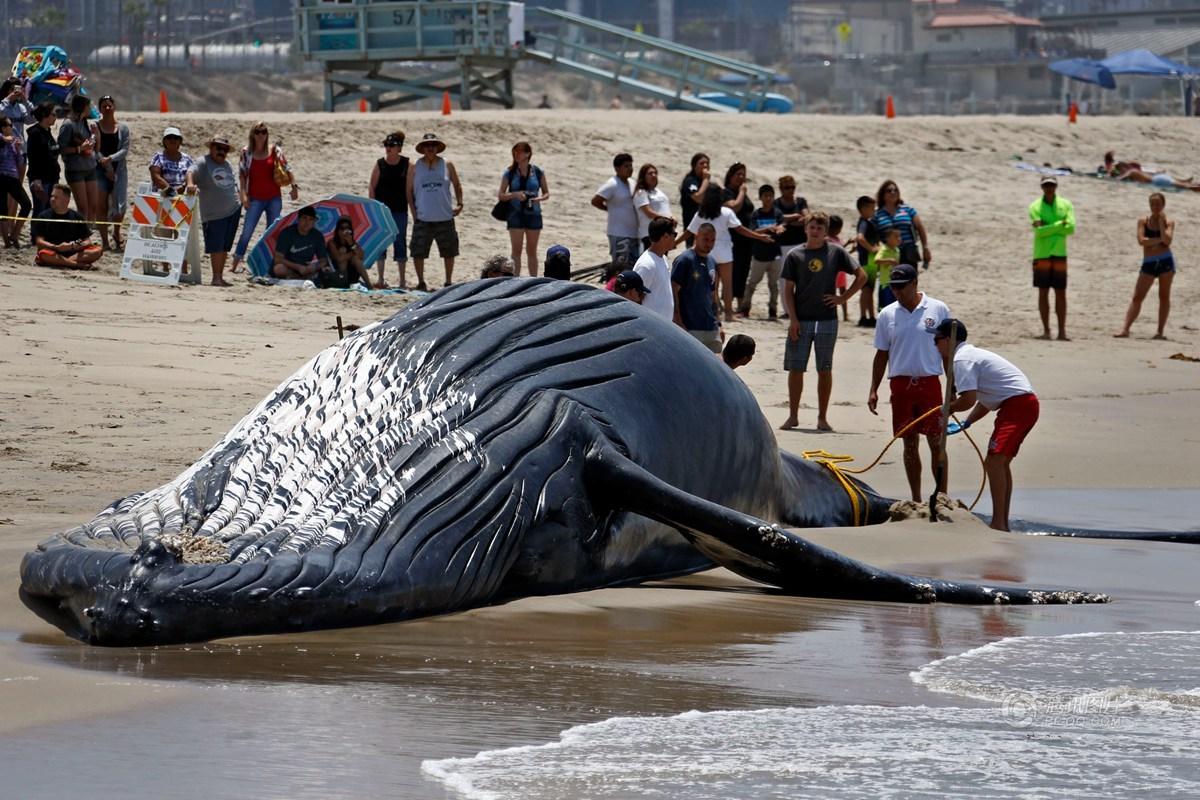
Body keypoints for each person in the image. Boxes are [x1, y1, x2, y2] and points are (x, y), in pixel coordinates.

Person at [937, 319, 1039, 532]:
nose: (934, 345)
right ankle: (1001, 521)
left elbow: (968, 399)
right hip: (1019, 404)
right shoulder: (969, 356)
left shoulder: (962, 359)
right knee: (999, 463)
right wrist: (967, 422)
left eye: (936, 340)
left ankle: (999, 523)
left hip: (1018, 406)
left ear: (948, 340)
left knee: (994, 461)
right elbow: (985, 400)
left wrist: (949, 408)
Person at [868, 264, 952, 501]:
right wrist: (873, 389)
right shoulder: (887, 314)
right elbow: (881, 353)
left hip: (930, 383)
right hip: (901, 385)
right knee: (909, 443)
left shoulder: (938, 309)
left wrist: (953, 386)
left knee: (937, 441)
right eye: (893, 288)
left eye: (901, 287)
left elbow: (947, 352)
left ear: (914, 283)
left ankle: (942, 497)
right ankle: (916, 498)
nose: (896, 292)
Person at [779, 212, 867, 432]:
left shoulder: (836, 252)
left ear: (826, 231)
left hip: (827, 319)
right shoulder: (794, 255)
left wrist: (843, 298)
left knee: (824, 368)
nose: (815, 231)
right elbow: (788, 290)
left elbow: (862, 275)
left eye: (820, 227)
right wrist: (793, 319)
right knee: (796, 368)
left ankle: (822, 417)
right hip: (802, 319)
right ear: (806, 229)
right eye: (812, 227)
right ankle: (793, 416)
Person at [686, 185, 772, 322]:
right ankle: (728, 314)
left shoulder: (701, 214)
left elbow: (689, 232)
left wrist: (675, 242)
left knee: (711, 285)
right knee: (727, 285)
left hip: (709, 251)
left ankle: (715, 314)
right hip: (725, 252)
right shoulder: (726, 212)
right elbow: (741, 229)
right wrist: (759, 236)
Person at [233, 121, 299, 275]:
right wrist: (243, 195)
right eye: (258, 132)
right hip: (255, 198)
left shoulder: (275, 150)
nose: (261, 135)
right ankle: (236, 262)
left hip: (274, 198)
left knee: (272, 232)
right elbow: (242, 176)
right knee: (247, 232)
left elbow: (287, 168)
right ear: (252, 134)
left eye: (264, 132)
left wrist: (294, 187)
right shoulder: (246, 152)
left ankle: (268, 264)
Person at [407, 132, 463, 290]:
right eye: (427, 145)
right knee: (418, 251)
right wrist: (414, 212)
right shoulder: (415, 166)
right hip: (423, 217)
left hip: (444, 215)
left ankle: (448, 281)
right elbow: (408, 191)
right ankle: (421, 281)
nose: (430, 148)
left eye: (433, 145)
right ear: (423, 148)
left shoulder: (447, 164)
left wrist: (460, 204)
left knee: (449, 250)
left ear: (438, 148)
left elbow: (457, 185)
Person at [1115, 192, 1175, 340]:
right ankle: (1125, 329)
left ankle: (1160, 331)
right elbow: (1141, 241)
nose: (1155, 207)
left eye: (1158, 204)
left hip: (1166, 262)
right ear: (1149, 205)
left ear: (1163, 205)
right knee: (1138, 296)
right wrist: (1158, 239)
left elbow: (1167, 241)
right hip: (1149, 262)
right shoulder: (1143, 221)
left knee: (1164, 296)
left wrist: (1161, 225)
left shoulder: (1169, 221)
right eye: (1153, 204)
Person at [189, 135, 242, 287]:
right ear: (211, 148)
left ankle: (219, 277)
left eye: (225, 149)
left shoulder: (227, 165)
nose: (222, 152)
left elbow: (233, 183)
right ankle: (216, 277)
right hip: (214, 213)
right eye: (218, 148)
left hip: (233, 210)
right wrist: (191, 184)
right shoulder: (203, 162)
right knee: (216, 246)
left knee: (225, 246)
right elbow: (190, 172)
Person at [1029, 176, 1075, 341]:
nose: (1049, 188)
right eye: (1046, 185)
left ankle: (1062, 331)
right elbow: (1039, 231)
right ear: (1042, 187)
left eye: (1051, 185)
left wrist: (1048, 227)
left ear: (1056, 186)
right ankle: (1047, 330)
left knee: (1060, 292)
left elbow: (1071, 228)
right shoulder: (1035, 206)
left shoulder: (1066, 204)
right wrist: (1058, 226)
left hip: (1059, 252)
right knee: (1043, 292)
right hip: (1042, 253)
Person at [498, 141, 548, 276]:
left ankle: (533, 280)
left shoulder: (537, 171)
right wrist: (515, 194)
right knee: (516, 251)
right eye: (514, 152)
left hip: (534, 213)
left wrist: (539, 199)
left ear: (527, 154)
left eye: (519, 152)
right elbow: (501, 195)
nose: (516, 154)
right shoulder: (510, 172)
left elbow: (546, 193)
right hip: (515, 214)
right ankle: (515, 281)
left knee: (532, 251)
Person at [671, 223, 723, 353]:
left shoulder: (712, 261)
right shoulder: (684, 260)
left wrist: (719, 324)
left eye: (712, 240)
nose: (709, 244)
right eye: (705, 239)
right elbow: (673, 291)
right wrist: (678, 322)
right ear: (696, 236)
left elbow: (713, 294)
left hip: (711, 326)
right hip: (690, 326)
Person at [740, 183, 785, 319]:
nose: (768, 199)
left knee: (773, 285)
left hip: (775, 255)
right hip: (759, 255)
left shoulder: (777, 213)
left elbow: (781, 225)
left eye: (771, 196)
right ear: (761, 197)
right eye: (766, 196)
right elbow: (752, 230)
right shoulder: (756, 214)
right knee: (752, 283)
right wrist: (768, 229)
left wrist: (779, 228)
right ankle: (745, 308)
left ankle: (773, 310)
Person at [32, 183, 102, 268]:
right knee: (43, 254)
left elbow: (87, 241)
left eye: (56, 197)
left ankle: (65, 262)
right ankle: (75, 264)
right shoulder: (43, 216)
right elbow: (39, 241)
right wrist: (56, 247)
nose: (52, 199)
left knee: (98, 250)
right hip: (53, 251)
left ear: (66, 200)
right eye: (52, 196)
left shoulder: (77, 217)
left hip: (73, 253)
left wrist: (73, 246)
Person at [94, 95, 130, 251]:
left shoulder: (122, 128)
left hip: (119, 170)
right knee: (101, 206)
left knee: (120, 206)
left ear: (114, 107)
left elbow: (124, 149)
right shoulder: (95, 126)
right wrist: (104, 163)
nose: (107, 108)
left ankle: (116, 232)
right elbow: (94, 149)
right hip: (99, 171)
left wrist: (110, 159)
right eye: (104, 106)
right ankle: (105, 241)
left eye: (110, 105)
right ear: (100, 109)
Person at [57, 95, 99, 229]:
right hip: (76, 170)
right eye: (89, 106)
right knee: (83, 207)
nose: (91, 109)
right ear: (83, 107)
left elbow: (94, 147)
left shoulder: (84, 122)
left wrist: (95, 135)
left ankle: (89, 231)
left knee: (93, 205)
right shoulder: (68, 124)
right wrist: (79, 148)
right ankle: (81, 233)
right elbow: (61, 148)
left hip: (90, 167)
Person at [592, 153, 639, 266]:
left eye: (631, 166)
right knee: (620, 266)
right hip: (619, 233)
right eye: (626, 166)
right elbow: (595, 200)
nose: (630, 169)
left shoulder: (633, 183)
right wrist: (610, 209)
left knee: (633, 265)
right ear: (617, 168)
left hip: (634, 233)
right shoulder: (612, 184)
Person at [872, 179, 930, 269]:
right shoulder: (877, 214)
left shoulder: (907, 209)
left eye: (895, 190)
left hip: (909, 252)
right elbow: (872, 234)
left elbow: (920, 227)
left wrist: (925, 247)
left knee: (909, 281)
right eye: (889, 191)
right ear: (882, 194)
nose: (893, 192)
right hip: (889, 254)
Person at [722, 162, 756, 310]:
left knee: (743, 270)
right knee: (732, 272)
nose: (741, 177)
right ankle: (726, 302)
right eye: (738, 174)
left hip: (746, 239)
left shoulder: (743, 194)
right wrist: (742, 192)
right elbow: (734, 207)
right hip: (732, 238)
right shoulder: (727, 192)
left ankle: (740, 303)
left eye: (743, 174)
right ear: (731, 175)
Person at [632, 217, 677, 321]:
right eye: (674, 235)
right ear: (665, 236)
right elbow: (635, 299)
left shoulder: (663, 259)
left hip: (664, 326)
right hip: (650, 326)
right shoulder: (647, 265)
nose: (675, 239)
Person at [25, 103, 59, 230]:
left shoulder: (47, 132)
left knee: (49, 208)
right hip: (40, 179)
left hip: (52, 177)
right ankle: (36, 236)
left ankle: (45, 235)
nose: (56, 117)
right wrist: (36, 179)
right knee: (40, 209)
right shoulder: (35, 133)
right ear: (45, 116)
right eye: (53, 114)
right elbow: (33, 158)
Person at [272, 205, 329, 280]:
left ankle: (303, 277)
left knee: (327, 270)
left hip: (306, 269)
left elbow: (323, 260)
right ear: (298, 219)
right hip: (288, 267)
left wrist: (314, 266)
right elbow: (278, 258)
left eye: (311, 219)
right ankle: (296, 277)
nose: (307, 222)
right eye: (304, 218)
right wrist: (298, 267)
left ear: (314, 221)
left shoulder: (317, 236)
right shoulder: (287, 233)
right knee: (279, 269)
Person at [0, 117, 31, 248]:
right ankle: (6, 241)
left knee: (26, 204)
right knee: (2, 209)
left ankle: (14, 234)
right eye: (9, 125)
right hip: (1, 176)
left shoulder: (12, 141)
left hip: (12, 177)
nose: (11, 127)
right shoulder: (2, 140)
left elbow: (20, 162)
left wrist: (18, 149)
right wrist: (2, 138)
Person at [324, 216, 373, 288]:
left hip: (351, 275)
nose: (345, 231)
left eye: (348, 228)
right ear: (337, 230)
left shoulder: (352, 242)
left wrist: (350, 242)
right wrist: (352, 253)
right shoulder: (332, 243)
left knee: (356, 259)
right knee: (343, 250)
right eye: (342, 228)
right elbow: (338, 259)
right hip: (338, 274)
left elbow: (361, 255)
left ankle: (369, 285)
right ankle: (343, 282)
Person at [633, 163, 674, 252]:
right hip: (650, 236)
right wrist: (667, 220)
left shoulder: (659, 192)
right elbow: (648, 212)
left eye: (655, 173)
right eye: (650, 173)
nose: (654, 175)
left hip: (664, 234)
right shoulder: (641, 193)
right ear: (643, 176)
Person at [854, 195, 879, 327]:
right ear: (863, 209)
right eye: (871, 208)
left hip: (870, 260)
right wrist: (872, 249)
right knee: (867, 289)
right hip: (868, 260)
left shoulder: (865, 222)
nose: (874, 210)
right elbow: (860, 238)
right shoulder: (864, 222)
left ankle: (871, 316)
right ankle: (864, 316)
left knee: (869, 289)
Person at [773, 175, 809, 268]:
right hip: (784, 244)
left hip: (801, 242)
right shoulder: (776, 203)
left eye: (793, 187)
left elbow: (807, 217)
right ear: (781, 189)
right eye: (787, 187)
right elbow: (777, 217)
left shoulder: (800, 201)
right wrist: (795, 216)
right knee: (784, 275)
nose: (791, 190)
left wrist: (788, 222)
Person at [149, 126, 194, 194]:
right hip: (161, 197)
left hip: (183, 197)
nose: (172, 140)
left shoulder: (187, 158)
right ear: (164, 141)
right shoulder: (158, 157)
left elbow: (193, 175)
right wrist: (172, 191)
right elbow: (156, 177)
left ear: (180, 141)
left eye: (176, 138)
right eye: (169, 137)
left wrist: (183, 186)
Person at [679, 153, 711, 241]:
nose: (705, 166)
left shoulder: (707, 183)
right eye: (702, 163)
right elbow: (698, 198)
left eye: (707, 163)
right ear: (694, 166)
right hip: (692, 227)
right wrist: (706, 179)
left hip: (707, 226)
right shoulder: (690, 181)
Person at [827, 215, 853, 322]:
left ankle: (845, 315)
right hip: (833, 270)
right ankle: (833, 313)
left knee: (843, 291)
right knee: (831, 291)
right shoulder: (827, 240)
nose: (838, 231)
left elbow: (842, 253)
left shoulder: (837, 239)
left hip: (841, 270)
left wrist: (849, 246)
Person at [875, 226, 901, 309]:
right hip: (885, 283)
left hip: (895, 283)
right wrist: (889, 260)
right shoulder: (884, 249)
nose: (899, 239)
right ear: (888, 238)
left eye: (899, 236)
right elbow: (877, 260)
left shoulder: (897, 250)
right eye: (896, 236)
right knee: (886, 306)